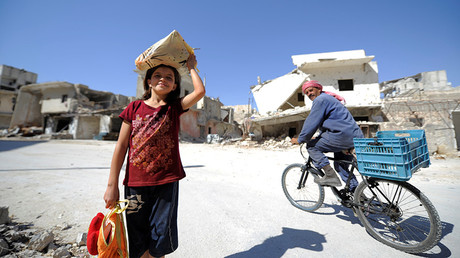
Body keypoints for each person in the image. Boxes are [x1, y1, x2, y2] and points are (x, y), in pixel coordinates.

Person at [103, 53, 205, 258]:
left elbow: (200, 91)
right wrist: (111, 185)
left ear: (175, 85)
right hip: (134, 184)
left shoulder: (174, 108)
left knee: (160, 240)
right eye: (157, 75)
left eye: (169, 77)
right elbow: (121, 146)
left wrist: (191, 67)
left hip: (166, 184)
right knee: (138, 239)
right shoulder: (133, 108)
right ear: (148, 81)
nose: (163, 79)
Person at [291, 80, 363, 190]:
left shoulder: (320, 100)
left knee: (311, 146)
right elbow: (331, 122)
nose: (309, 93)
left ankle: (330, 175)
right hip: (352, 136)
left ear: (319, 89)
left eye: (311, 90)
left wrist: (301, 139)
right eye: (307, 93)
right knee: (340, 165)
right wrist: (319, 137)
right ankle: (357, 193)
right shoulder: (329, 99)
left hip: (341, 136)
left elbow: (311, 122)